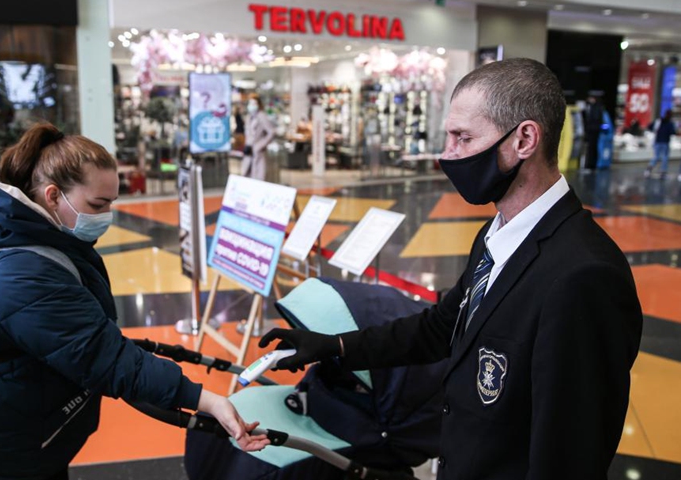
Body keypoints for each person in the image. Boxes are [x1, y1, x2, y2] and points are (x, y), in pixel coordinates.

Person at [260, 58, 642, 479]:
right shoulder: (496, 234)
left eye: (463, 138)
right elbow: (440, 328)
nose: (448, 155)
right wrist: (335, 347)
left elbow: (571, 453)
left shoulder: (584, 276)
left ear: (525, 139)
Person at [0, 123, 268, 480]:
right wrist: (207, 401)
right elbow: (102, 356)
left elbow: (86, 336)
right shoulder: (18, 271)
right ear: (52, 196)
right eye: (98, 204)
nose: (107, 215)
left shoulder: (32, 236)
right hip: (4, 448)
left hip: (25, 421)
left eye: (112, 202)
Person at [241, 95, 274, 180]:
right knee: (246, 174)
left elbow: (271, 132)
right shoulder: (249, 117)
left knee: (258, 176)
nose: (251, 105)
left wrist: (260, 145)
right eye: (250, 103)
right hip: (248, 150)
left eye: (254, 103)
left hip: (257, 151)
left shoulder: (262, 116)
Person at [644, 110, 677, 178]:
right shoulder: (669, 123)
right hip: (665, 142)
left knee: (656, 156)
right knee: (665, 157)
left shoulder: (659, 121)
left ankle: (648, 169)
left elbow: (650, 126)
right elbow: (673, 132)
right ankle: (663, 172)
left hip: (657, 141)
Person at [582, 94, 605, 170]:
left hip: (593, 130)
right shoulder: (597, 107)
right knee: (592, 148)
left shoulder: (595, 108)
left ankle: (590, 165)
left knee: (592, 148)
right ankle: (590, 164)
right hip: (594, 130)